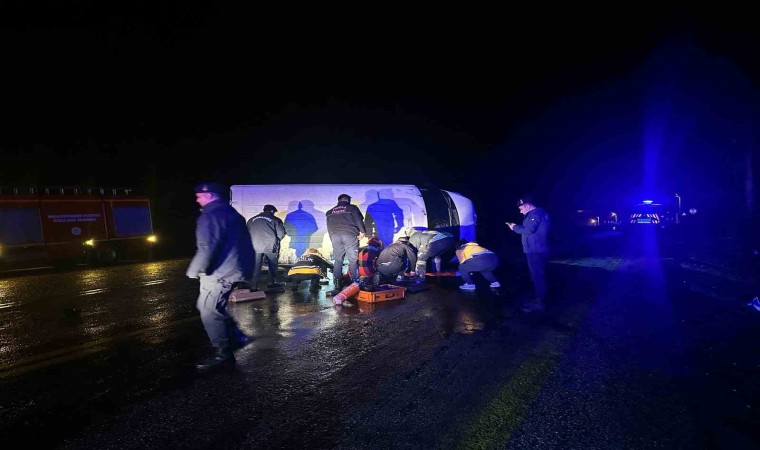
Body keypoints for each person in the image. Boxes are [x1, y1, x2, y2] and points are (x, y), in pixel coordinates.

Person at [186, 182, 254, 371]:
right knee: (212, 307)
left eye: (199, 196)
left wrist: (194, 270)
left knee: (209, 310)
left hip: (219, 272)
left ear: (210, 195)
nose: (197, 199)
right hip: (234, 269)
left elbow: (207, 247)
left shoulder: (210, 215)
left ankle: (223, 353)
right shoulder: (232, 214)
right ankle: (237, 336)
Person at [506, 196, 550, 312]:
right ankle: (539, 298)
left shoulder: (536, 213)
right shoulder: (536, 213)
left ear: (528, 205)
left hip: (536, 250)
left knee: (537, 275)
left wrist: (514, 227)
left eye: (521, 208)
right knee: (537, 274)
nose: (520, 211)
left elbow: (528, 230)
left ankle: (540, 302)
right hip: (535, 249)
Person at [326, 194, 366, 293]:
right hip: (349, 235)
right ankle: (355, 283)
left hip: (335, 236)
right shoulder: (352, 208)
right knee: (353, 260)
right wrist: (362, 232)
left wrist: (332, 238)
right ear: (348, 200)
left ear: (338, 200)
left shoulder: (329, 212)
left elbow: (329, 227)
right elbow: (358, 219)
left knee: (338, 260)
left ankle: (337, 285)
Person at [247, 204, 287, 290]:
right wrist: (276, 241)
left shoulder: (251, 220)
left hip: (254, 246)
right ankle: (271, 283)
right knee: (272, 265)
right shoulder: (276, 220)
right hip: (270, 245)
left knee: (255, 266)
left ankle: (253, 286)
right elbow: (281, 233)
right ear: (272, 211)